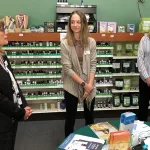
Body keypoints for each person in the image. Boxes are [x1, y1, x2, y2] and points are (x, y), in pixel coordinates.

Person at [61, 10, 97, 137]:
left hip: (89, 83)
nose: (75, 25)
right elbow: (67, 69)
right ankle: (68, 144)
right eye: (72, 22)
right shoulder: (65, 43)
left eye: (78, 22)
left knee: (89, 117)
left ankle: (92, 141)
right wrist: (84, 84)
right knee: (70, 119)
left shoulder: (91, 42)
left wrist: (89, 85)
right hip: (71, 85)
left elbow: (93, 64)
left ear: (83, 24)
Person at [0, 20, 32, 150]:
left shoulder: (3, 57)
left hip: (11, 119)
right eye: (3, 30)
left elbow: (14, 84)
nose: (6, 33)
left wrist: (24, 105)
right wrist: (19, 112)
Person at [137, 33, 150, 121]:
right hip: (145, 79)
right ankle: (141, 128)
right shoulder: (144, 40)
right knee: (143, 106)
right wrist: (147, 77)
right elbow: (140, 60)